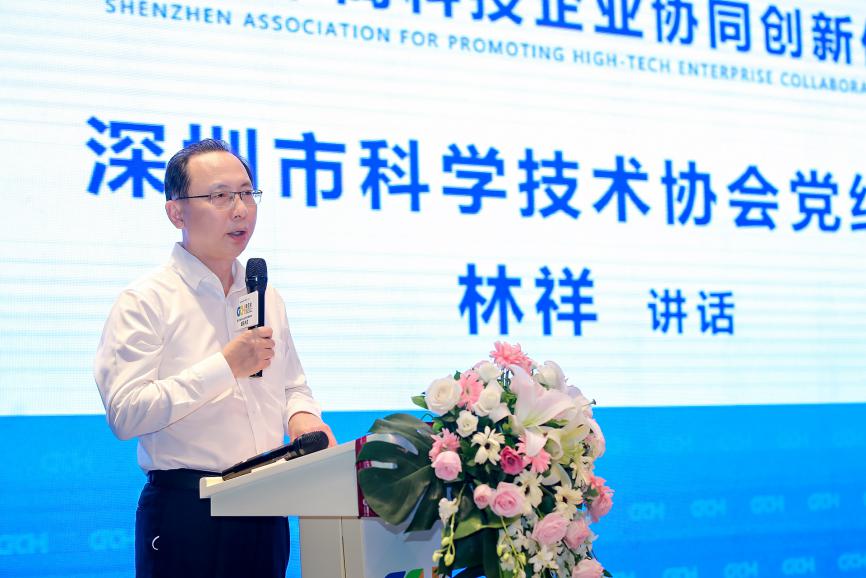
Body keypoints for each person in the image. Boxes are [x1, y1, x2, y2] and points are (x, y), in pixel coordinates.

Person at [94, 138, 335, 578]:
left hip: (267, 504)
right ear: (176, 213)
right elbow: (125, 414)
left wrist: (303, 418)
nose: (240, 209)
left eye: (247, 194)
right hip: (188, 510)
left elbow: (293, 385)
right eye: (221, 196)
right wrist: (226, 367)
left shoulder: (266, 296)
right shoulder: (146, 300)